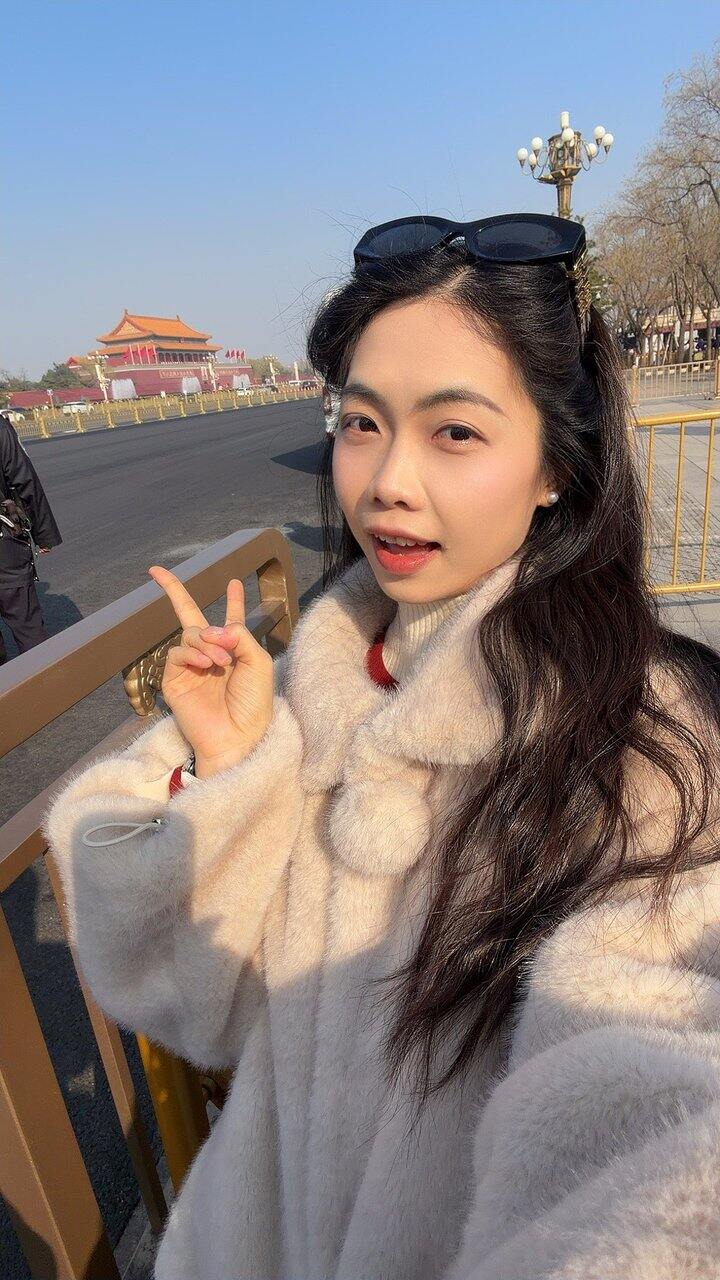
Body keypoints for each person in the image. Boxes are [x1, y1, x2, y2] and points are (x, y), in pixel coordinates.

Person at [42, 214, 720, 1280]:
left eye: (455, 432)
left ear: (557, 464)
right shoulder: (313, 688)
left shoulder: (645, 746)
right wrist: (229, 766)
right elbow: (206, 1005)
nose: (386, 480)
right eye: (361, 422)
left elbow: (650, 1082)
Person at [0, 411, 62, 665]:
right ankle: (42, 684)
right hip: (5, 549)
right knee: (27, 628)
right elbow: (24, 480)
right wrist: (43, 534)